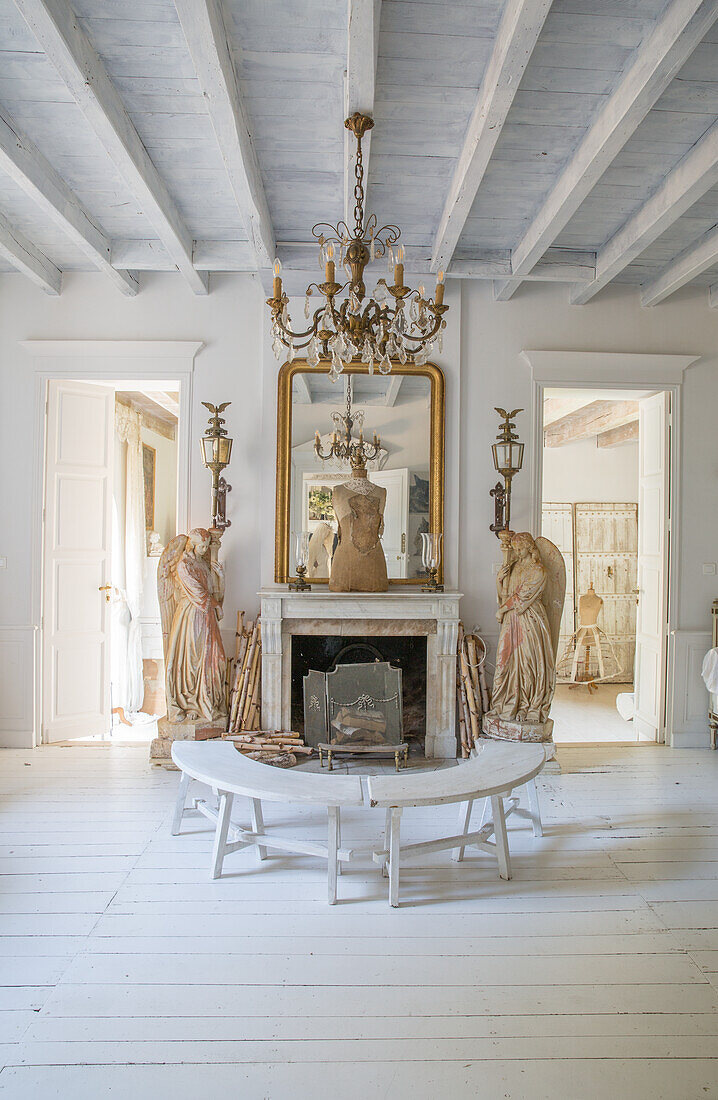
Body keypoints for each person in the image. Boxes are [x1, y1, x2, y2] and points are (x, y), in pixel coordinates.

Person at [487, 531, 555, 725]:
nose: (516, 553)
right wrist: (499, 580)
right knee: (505, 659)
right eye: (514, 549)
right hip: (511, 619)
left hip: (529, 619)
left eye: (519, 549)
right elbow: (506, 594)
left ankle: (526, 705)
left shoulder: (538, 571)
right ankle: (504, 704)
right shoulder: (514, 567)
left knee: (527, 662)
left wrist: (501, 611)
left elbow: (521, 598)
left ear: (529, 547)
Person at [162, 528, 226, 722]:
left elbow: (213, 591)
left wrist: (221, 577)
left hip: (206, 615)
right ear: (192, 544)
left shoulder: (203, 564)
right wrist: (215, 605)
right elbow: (198, 592)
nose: (204, 550)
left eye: (207, 546)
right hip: (191, 616)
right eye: (201, 546)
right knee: (193, 658)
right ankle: (191, 701)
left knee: (215, 658)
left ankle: (206, 699)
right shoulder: (183, 565)